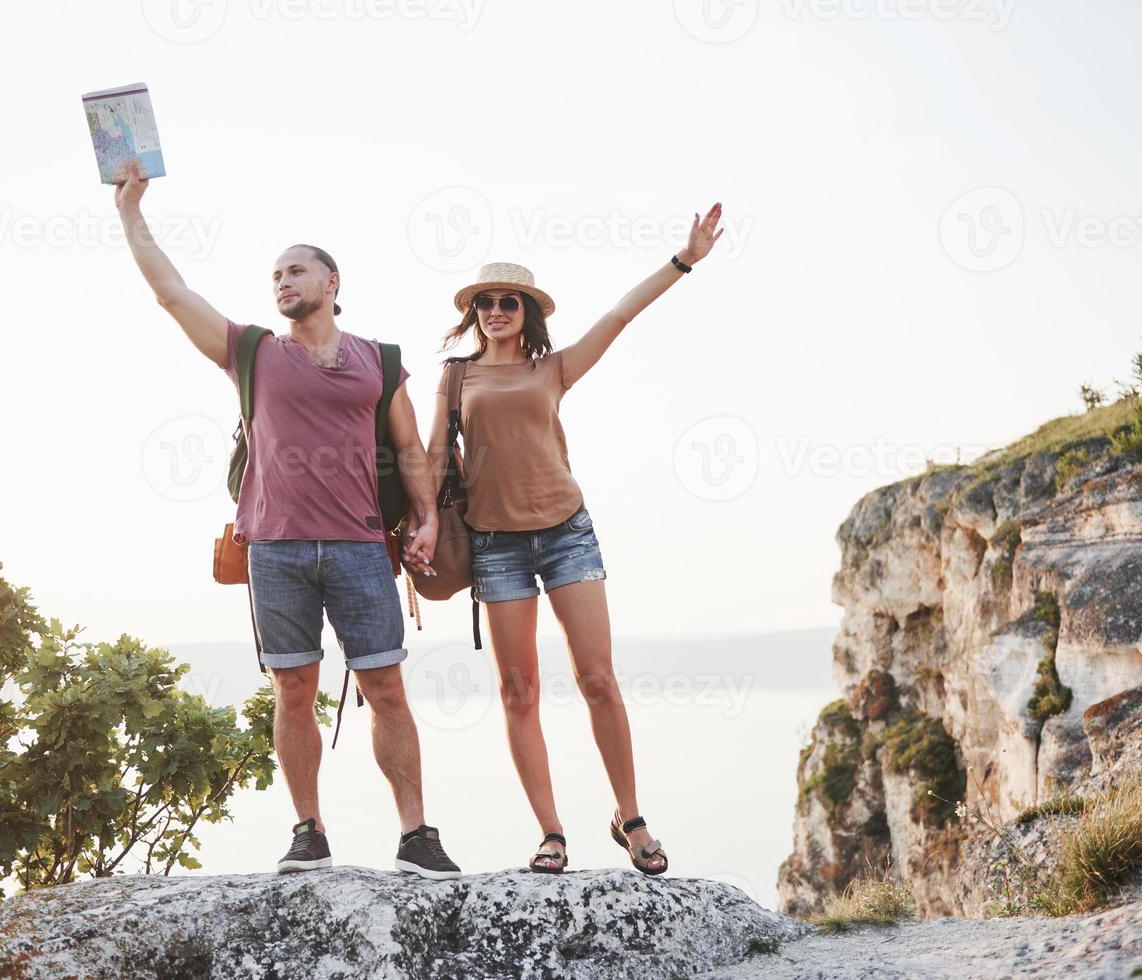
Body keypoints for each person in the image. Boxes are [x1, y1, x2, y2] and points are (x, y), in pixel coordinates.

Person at [114, 158, 462, 880]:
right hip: (273, 548)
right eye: (275, 274)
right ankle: (308, 832)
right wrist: (131, 214)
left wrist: (424, 518)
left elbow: (407, 448)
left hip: (362, 546)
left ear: (331, 283)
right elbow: (171, 292)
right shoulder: (253, 353)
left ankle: (416, 836)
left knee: (385, 688)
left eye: (297, 271)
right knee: (292, 690)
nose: (282, 281)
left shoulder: (379, 359)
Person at [416, 204, 725, 876]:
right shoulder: (454, 375)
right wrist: (426, 525)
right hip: (494, 543)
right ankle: (550, 832)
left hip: (565, 533)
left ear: (526, 310)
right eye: (485, 303)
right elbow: (434, 455)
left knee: (597, 679)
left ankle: (630, 817)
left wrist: (683, 260)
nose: (495, 310)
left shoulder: (552, 368)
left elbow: (618, 314)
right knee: (518, 691)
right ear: (473, 313)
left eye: (508, 302)